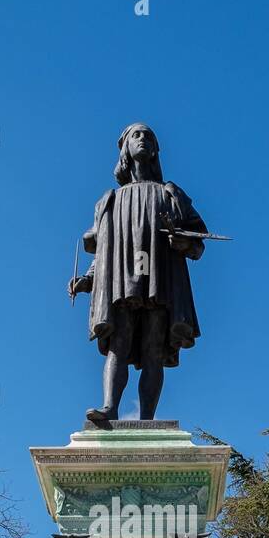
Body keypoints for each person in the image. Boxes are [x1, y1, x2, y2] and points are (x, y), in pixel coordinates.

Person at [68, 123, 208, 423]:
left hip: (159, 278)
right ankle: (110, 408)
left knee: (154, 346)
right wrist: (88, 280)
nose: (143, 139)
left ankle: (147, 419)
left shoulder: (170, 193)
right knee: (119, 343)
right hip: (121, 279)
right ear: (125, 149)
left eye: (149, 136)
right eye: (137, 135)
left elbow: (198, 241)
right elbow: (103, 250)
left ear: (155, 150)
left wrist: (183, 240)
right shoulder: (110, 200)